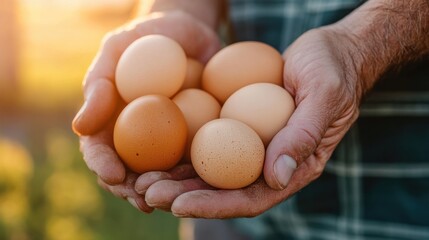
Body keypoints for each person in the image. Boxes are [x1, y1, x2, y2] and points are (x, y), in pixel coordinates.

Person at [72, 0, 429, 239]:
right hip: (232, 228)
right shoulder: (202, 107)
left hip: (394, 205)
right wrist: (180, 11)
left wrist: (358, 47)